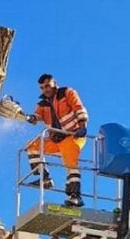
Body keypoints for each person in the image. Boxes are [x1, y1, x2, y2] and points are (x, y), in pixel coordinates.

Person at [26, 74, 89, 207]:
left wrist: (83, 126)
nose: (46, 89)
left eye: (48, 85)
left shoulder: (66, 93)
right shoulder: (42, 103)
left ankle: (75, 196)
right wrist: (31, 118)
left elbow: (79, 108)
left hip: (73, 135)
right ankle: (45, 179)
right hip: (56, 139)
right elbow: (37, 116)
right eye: (42, 88)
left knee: (70, 162)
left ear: (54, 83)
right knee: (32, 147)